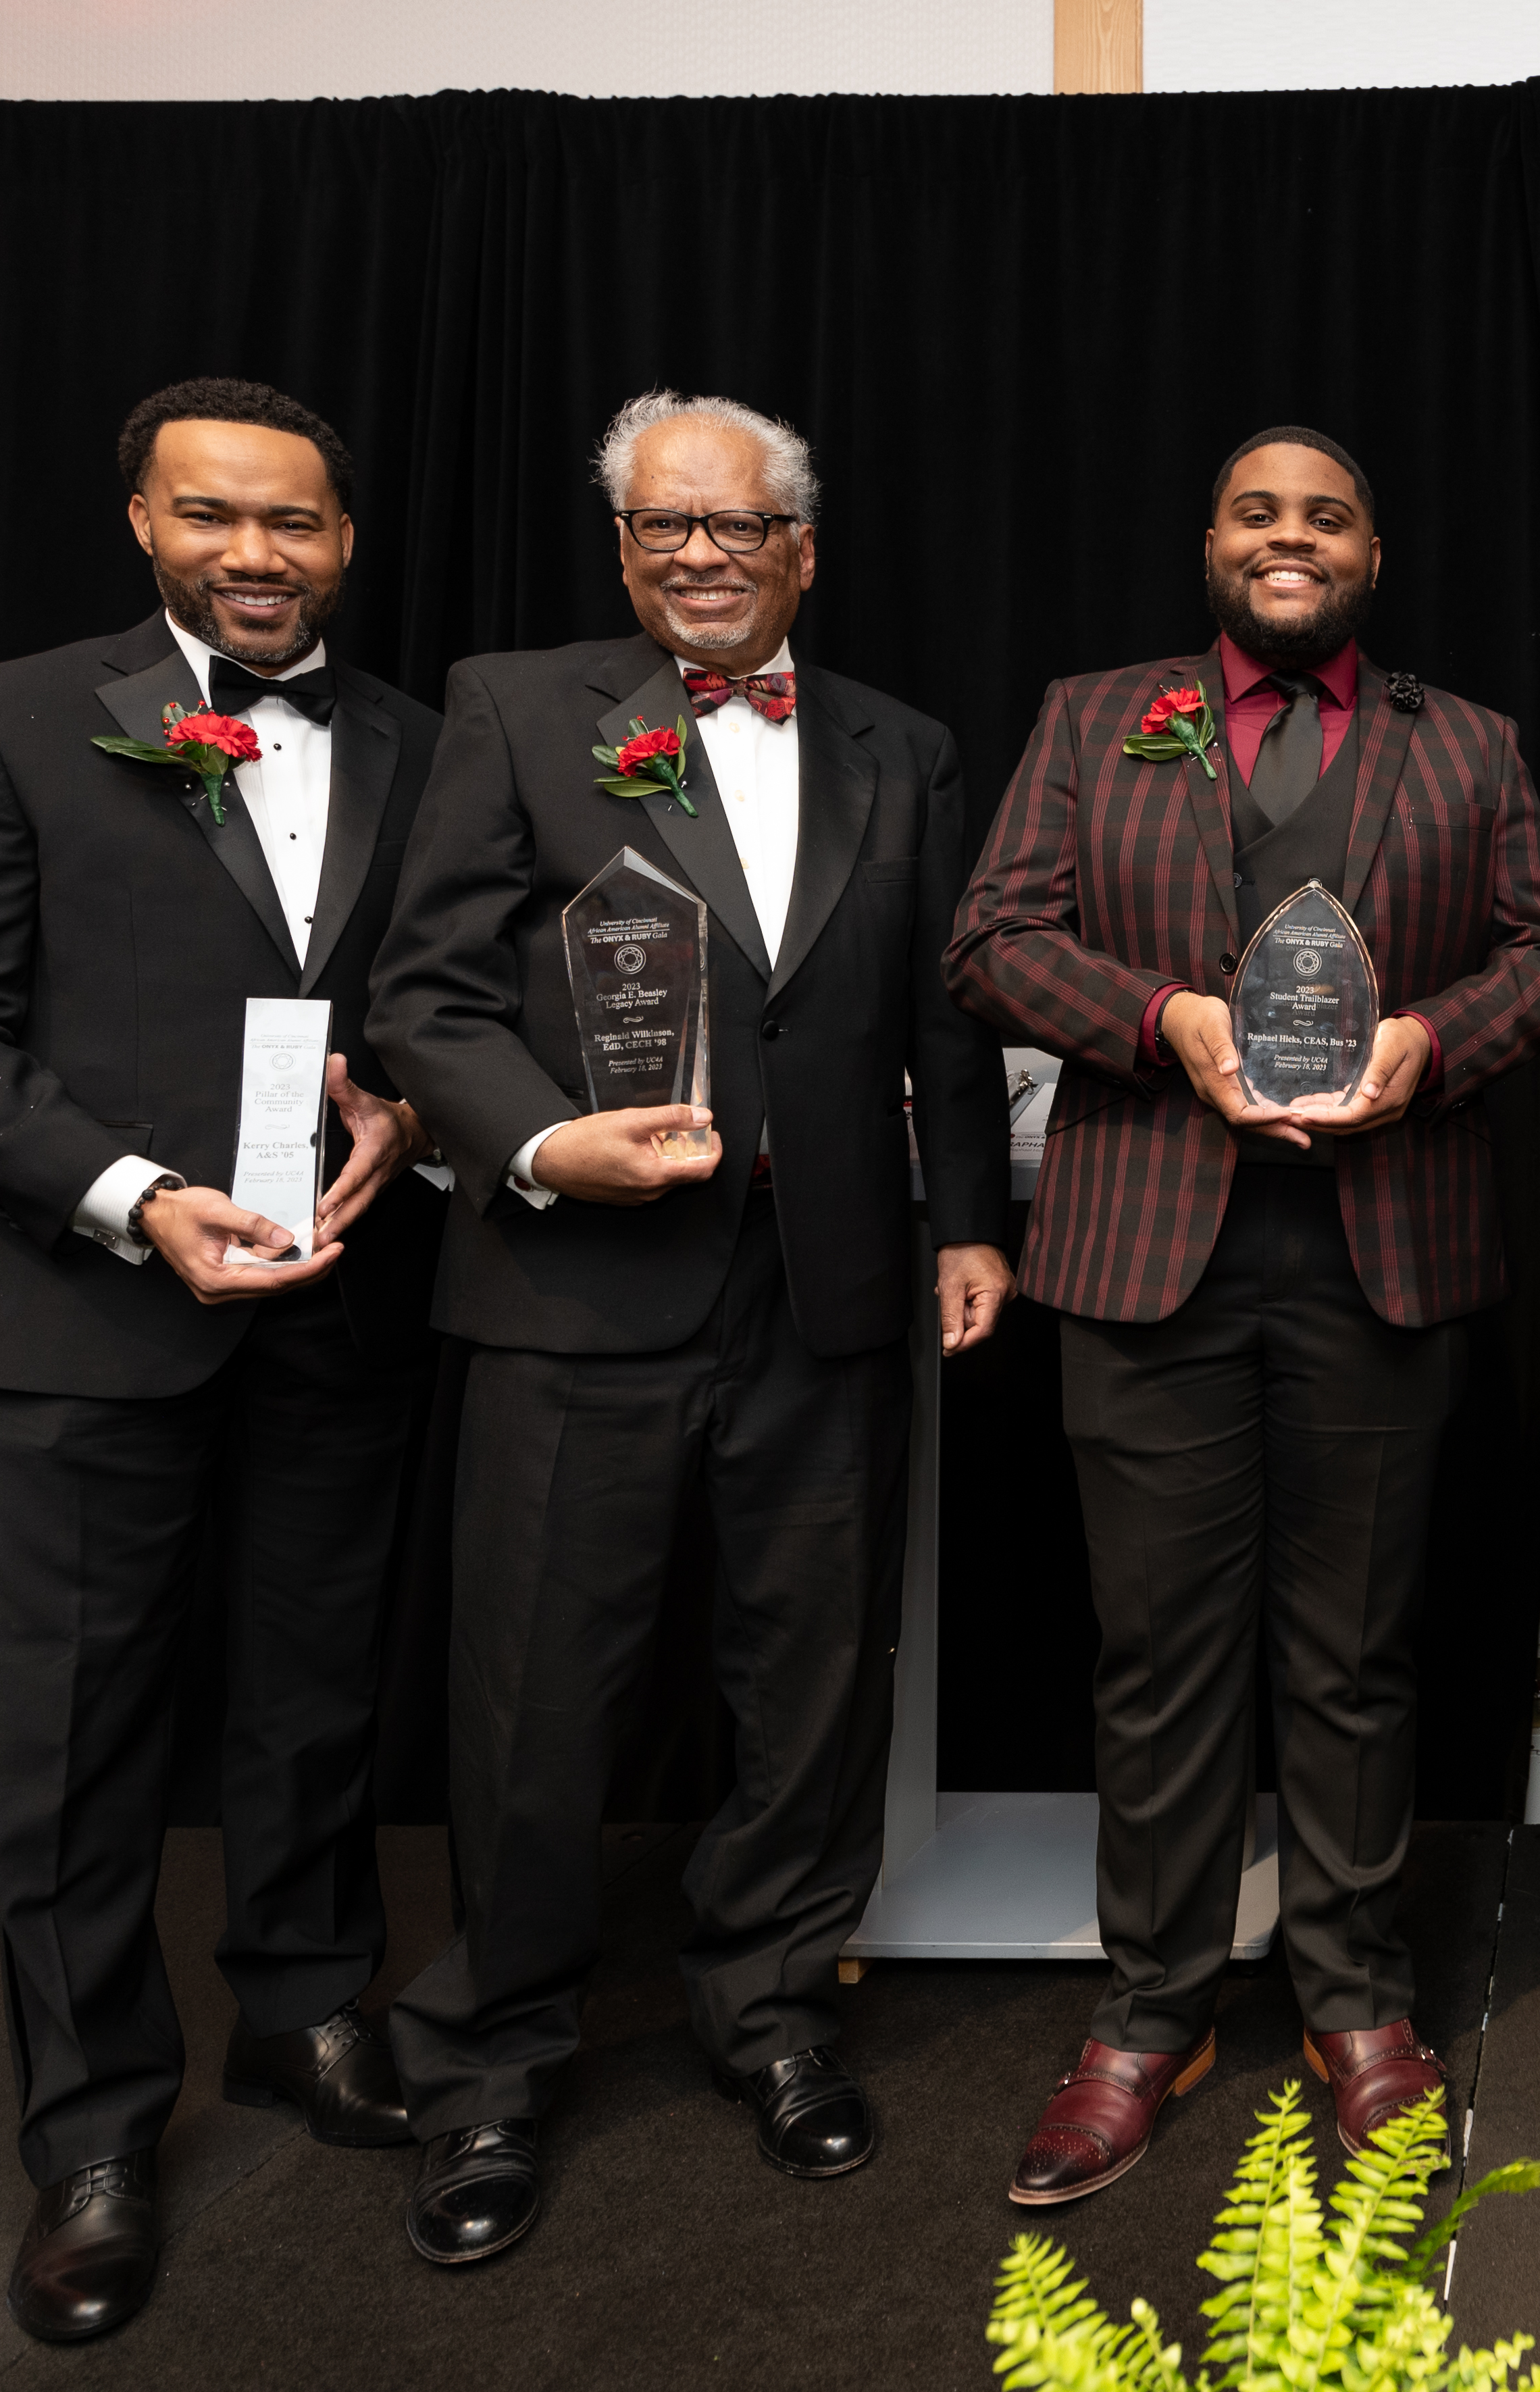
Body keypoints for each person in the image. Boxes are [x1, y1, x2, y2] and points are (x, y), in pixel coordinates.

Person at [367, 389, 1014, 2268]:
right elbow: (424, 991)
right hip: (575, 1284)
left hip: (825, 1289)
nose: (699, 557)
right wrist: (545, 1142)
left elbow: (938, 1019)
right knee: (531, 1700)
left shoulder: (903, 745)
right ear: (624, 547)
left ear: (800, 550)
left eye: (733, 529)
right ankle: (490, 2065)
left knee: (808, 1680)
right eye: (663, 529)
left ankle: (775, 2010)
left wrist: (964, 1227)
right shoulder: (516, 709)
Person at [0, 379, 446, 2344]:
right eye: (213, 516)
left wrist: (413, 1117)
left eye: (294, 523)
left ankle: (299, 2008)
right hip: (88, 1305)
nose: (254, 554)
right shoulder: (0, 716)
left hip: (339, 1302)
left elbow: (440, 1004)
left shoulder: (426, 747)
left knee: (313, 1694)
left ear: (346, 540)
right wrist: (132, 1194)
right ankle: (91, 2131)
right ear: (142, 524)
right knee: (77, 1746)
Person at [949, 426, 1540, 2205]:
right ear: (1209, 541)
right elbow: (992, 937)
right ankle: (1149, 2010)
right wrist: (1164, 1021)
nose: (1289, 537)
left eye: (1327, 516)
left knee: (1355, 1651)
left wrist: (1429, 1042)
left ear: (1371, 553)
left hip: (1379, 1256)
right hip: (1147, 1252)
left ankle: (1355, 1993)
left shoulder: (1467, 744)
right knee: (1154, 1657)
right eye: (1256, 512)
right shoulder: (1094, 717)